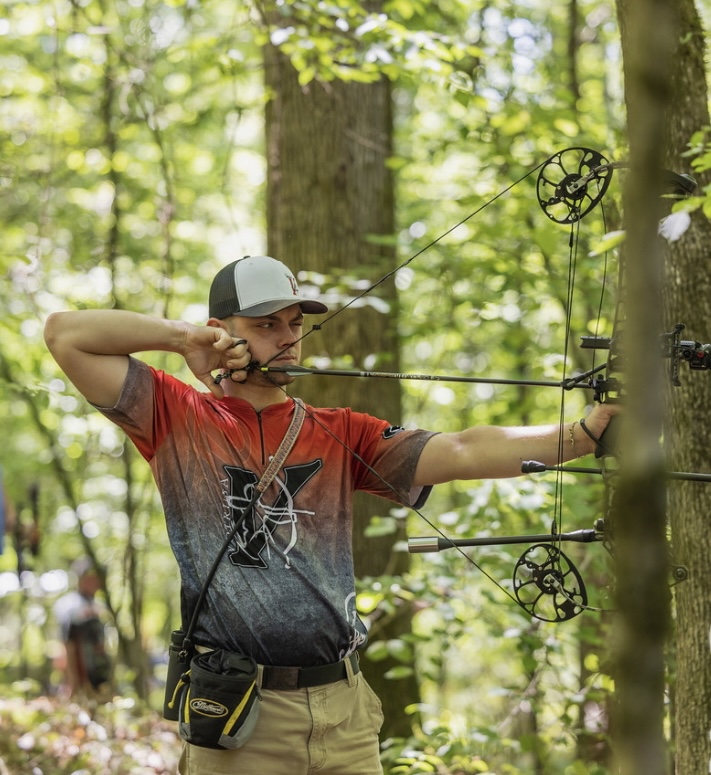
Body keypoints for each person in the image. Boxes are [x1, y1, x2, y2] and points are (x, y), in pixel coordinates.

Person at [44, 254, 618, 774]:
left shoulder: (340, 430)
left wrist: (583, 434)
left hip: (344, 715)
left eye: (295, 323)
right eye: (266, 325)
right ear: (225, 333)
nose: (288, 338)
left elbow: (463, 449)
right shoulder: (177, 415)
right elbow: (65, 334)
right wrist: (185, 338)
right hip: (242, 719)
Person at [53, 558, 111, 698]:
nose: (94, 582)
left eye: (96, 578)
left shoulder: (97, 604)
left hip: (96, 667)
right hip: (78, 666)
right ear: (81, 580)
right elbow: (68, 641)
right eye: (89, 578)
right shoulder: (70, 604)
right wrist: (72, 676)